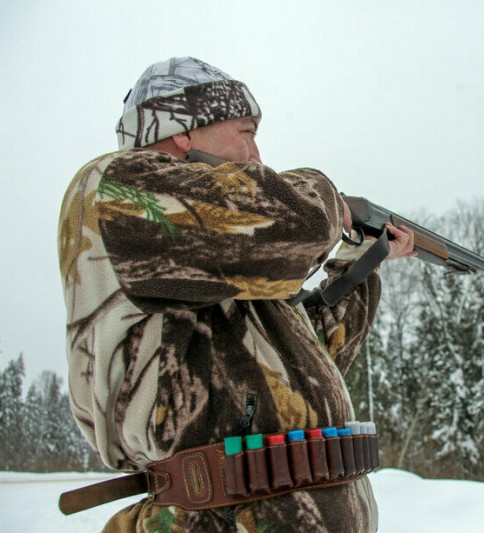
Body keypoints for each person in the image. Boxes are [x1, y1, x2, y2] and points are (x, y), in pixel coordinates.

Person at [58, 56, 414, 532]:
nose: (256, 155)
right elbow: (298, 219)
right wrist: (329, 202)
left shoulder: (226, 267)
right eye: (245, 132)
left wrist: (362, 260)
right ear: (183, 130)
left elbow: (310, 364)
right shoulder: (117, 186)